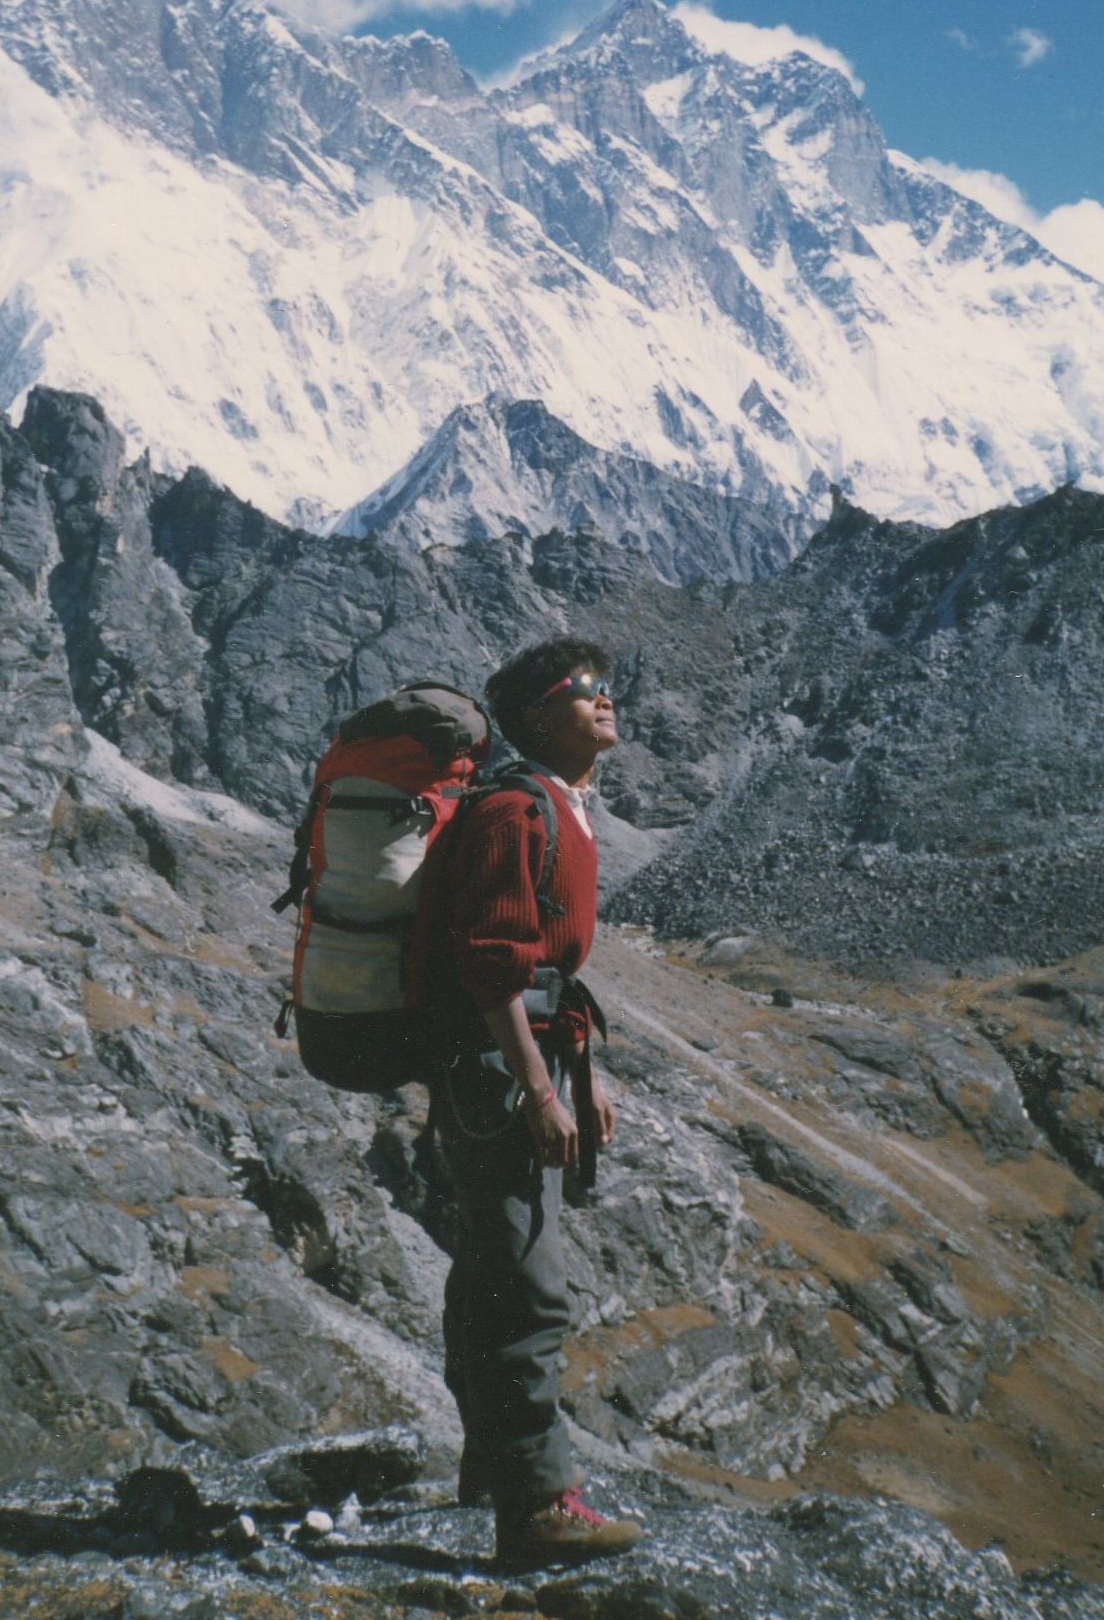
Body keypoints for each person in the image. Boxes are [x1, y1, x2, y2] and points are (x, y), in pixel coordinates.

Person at [424, 637, 642, 1572]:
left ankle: (495, 1465)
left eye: (603, 687)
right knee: (525, 1275)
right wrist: (535, 1087)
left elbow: (546, 968)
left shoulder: (562, 806)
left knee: (491, 1264)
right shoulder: (518, 809)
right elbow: (493, 962)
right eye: (582, 691)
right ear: (538, 715)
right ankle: (537, 1505)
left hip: (518, 1060)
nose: (603, 699)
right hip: (495, 1072)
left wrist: (580, 1077)